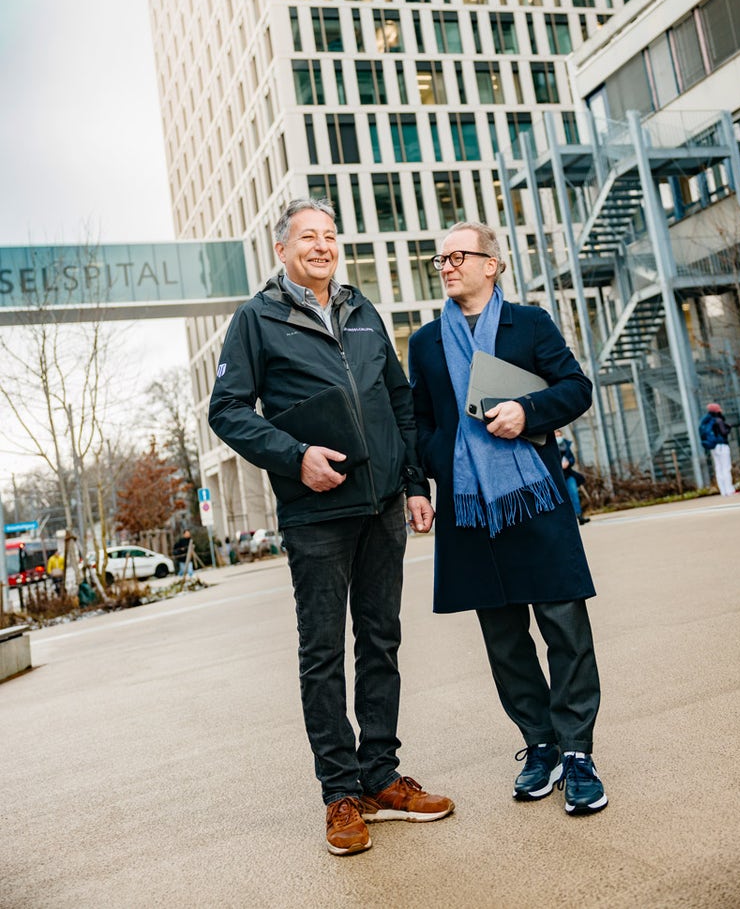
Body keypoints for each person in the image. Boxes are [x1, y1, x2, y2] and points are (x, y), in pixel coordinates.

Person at [208, 198, 453, 856]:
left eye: (329, 235)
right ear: (282, 251)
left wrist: (415, 482)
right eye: (307, 237)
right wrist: (295, 457)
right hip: (315, 514)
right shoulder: (256, 320)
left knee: (382, 641)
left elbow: (398, 398)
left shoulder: (361, 308)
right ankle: (340, 793)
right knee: (323, 655)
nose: (321, 246)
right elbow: (227, 410)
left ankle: (380, 777)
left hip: (381, 508)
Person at [409, 221, 608, 817]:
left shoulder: (531, 323)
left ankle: (577, 753)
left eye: (457, 256)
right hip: (468, 509)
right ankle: (539, 743)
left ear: (491, 264)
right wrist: (423, 479)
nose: (445, 266)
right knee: (504, 640)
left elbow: (576, 388)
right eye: (439, 258)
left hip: (534, 498)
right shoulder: (423, 342)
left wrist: (527, 410)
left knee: (564, 627)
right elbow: (416, 421)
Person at [699, 402, 735, 496]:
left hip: (714, 447)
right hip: (722, 445)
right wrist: (729, 428)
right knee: (726, 468)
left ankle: (723, 491)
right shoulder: (718, 420)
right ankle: (729, 490)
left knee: (718, 468)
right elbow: (724, 432)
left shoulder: (707, 421)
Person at [555, 430, 589, 525]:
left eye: (559, 435)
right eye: (556, 435)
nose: (558, 437)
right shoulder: (550, 448)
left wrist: (568, 462)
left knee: (574, 494)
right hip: (558, 476)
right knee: (562, 498)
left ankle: (579, 515)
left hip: (569, 474)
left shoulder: (567, 446)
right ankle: (566, 518)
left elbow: (572, 459)